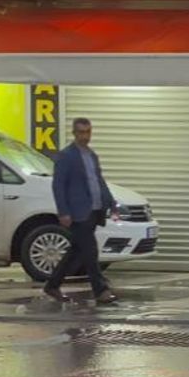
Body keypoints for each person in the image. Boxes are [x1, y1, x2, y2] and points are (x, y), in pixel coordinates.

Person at [43, 118, 118, 304]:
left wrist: (111, 202)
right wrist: (63, 212)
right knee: (90, 251)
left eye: (88, 132)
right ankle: (100, 290)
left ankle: (52, 285)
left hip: (94, 210)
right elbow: (58, 185)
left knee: (77, 251)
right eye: (81, 132)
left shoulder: (92, 155)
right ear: (74, 133)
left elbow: (98, 181)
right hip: (77, 212)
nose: (85, 136)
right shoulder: (66, 156)